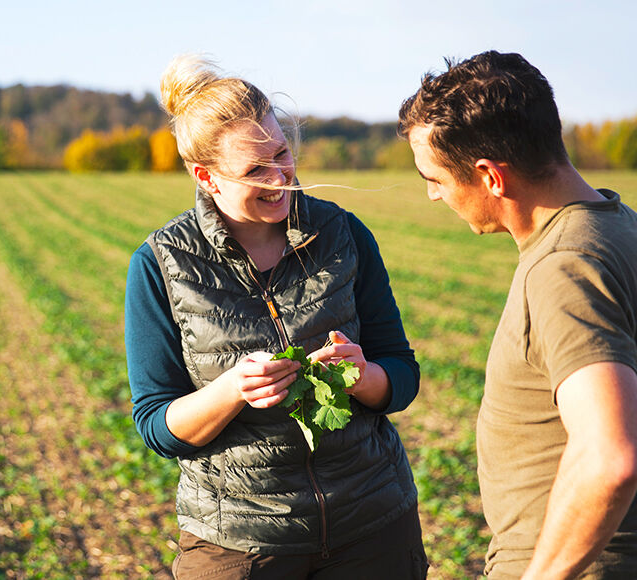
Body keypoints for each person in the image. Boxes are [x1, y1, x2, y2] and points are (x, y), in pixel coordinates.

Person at [125, 55, 428, 579]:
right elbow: (156, 424)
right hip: (240, 544)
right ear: (207, 177)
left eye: (283, 154)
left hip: (373, 524)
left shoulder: (343, 234)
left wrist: (363, 376)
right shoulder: (160, 264)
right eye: (255, 171)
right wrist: (232, 389)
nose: (281, 177)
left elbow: (400, 375)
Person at [398, 51, 637, 580]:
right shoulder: (619, 223)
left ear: (490, 176)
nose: (432, 193)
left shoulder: (564, 268)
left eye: (435, 178)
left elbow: (611, 458)